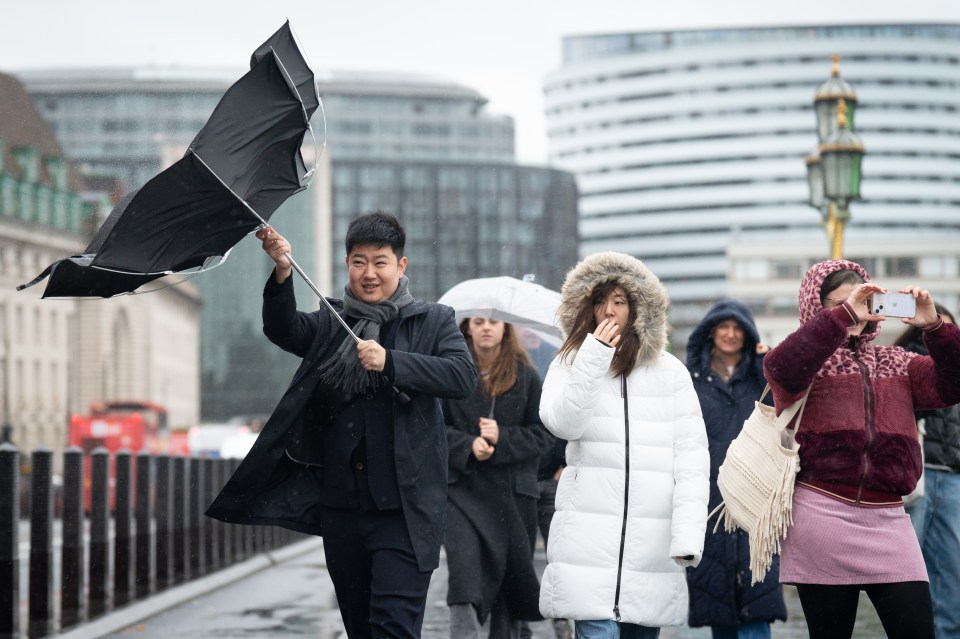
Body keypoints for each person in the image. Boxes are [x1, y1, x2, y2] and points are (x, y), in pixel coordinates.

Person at [206, 212, 477, 639]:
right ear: (347, 263)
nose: (369, 274)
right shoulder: (333, 322)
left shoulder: (433, 321)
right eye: (359, 261)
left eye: (380, 262)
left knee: (394, 630)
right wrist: (281, 270)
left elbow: (461, 377)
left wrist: (391, 362)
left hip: (405, 512)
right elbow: (283, 329)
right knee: (361, 629)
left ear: (401, 266)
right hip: (343, 511)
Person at [762, 260, 960, 639]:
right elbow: (780, 369)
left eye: (860, 301)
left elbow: (953, 385)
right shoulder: (807, 361)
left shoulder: (897, 362)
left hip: (889, 520)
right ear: (815, 310)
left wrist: (936, 328)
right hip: (821, 515)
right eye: (837, 304)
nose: (852, 312)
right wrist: (843, 317)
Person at [537, 251, 710, 639]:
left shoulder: (670, 372)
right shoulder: (569, 363)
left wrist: (686, 536)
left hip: (650, 547)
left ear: (638, 309)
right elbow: (563, 424)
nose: (610, 312)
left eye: (620, 302)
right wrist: (593, 357)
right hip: (587, 545)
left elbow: (692, 459)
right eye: (601, 302)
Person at [444, 317, 553, 638]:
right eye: (479, 322)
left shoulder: (527, 377)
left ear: (506, 330)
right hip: (462, 493)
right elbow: (434, 430)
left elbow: (543, 435)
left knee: (510, 584)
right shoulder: (452, 374)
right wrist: (468, 445)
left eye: (494, 322)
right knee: (463, 575)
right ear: (468, 328)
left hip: (512, 498)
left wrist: (502, 438)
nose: (486, 328)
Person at [684, 299, 787, 639]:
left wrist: (766, 365)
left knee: (757, 603)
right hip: (710, 503)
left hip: (755, 501)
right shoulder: (691, 382)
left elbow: (785, 412)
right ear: (710, 332)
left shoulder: (760, 377)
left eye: (737, 328)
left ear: (747, 334)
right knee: (719, 607)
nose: (730, 334)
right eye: (723, 327)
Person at [894, 304, 960, 639]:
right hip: (916, 477)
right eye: (936, 328)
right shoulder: (904, 360)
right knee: (907, 569)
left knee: (953, 568)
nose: (944, 336)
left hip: (951, 475)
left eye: (948, 330)